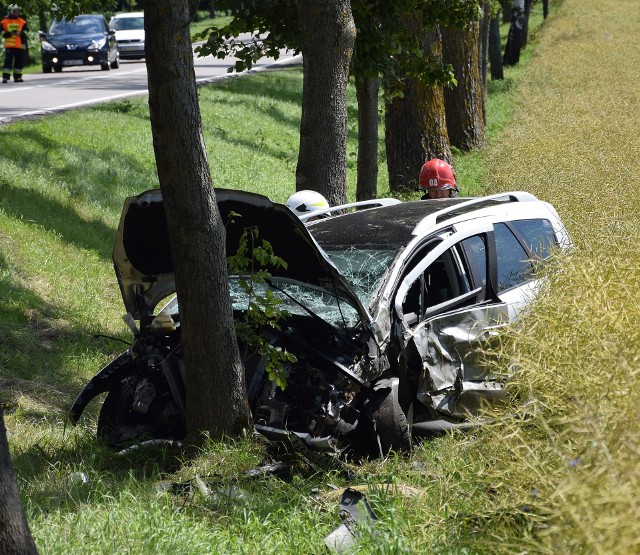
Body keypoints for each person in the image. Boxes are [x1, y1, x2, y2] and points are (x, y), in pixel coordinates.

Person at [1, 5, 27, 83]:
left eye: (18, 11)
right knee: (8, 61)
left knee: (19, 61)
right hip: (10, 45)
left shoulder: (22, 22)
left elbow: (26, 32)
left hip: (20, 45)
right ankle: (5, 77)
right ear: (10, 12)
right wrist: (11, 33)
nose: (17, 13)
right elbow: (2, 33)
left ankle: (18, 77)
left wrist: (21, 33)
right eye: (15, 11)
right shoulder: (4, 22)